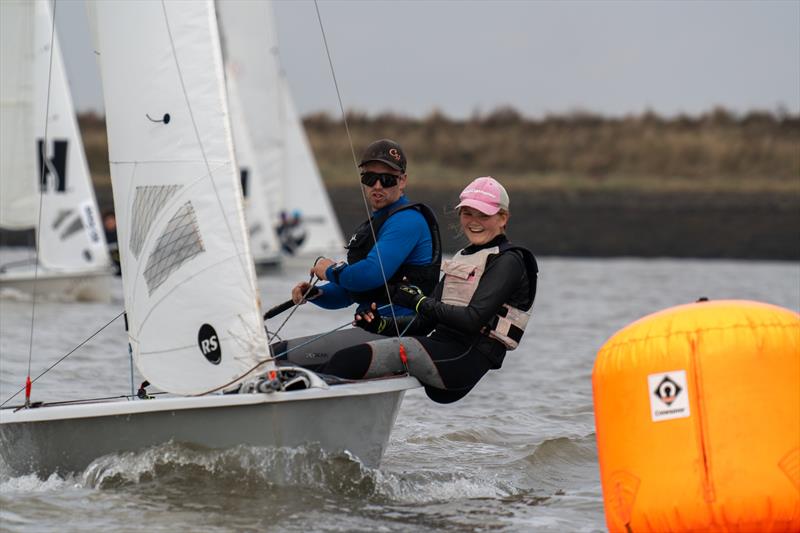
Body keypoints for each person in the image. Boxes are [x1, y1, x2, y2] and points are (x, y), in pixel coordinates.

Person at [320, 177, 538, 404]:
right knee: (339, 360)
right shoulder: (465, 256)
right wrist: (380, 325)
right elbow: (425, 323)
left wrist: (418, 301)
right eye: (468, 213)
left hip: (464, 360)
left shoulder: (509, 261)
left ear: (503, 218)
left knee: (348, 361)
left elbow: (472, 320)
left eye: (483, 215)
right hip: (442, 348)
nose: (474, 222)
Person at [273, 139, 442, 368]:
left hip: (397, 333)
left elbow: (371, 274)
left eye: (388, 179)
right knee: (277, 355)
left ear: (402, 181)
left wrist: (331, 269)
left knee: (278, 356)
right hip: (373, 331)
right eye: (370, 178)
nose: (378, 185)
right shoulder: (378, 223)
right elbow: (349, 293)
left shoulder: (407, 220)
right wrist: (316, 294)